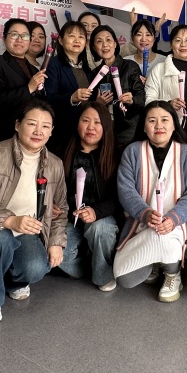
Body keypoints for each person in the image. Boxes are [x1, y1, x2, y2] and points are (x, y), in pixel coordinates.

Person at [0, 98, 67, 325]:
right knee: (0, 241)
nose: (38, 131)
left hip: (30, 232)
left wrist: (55, 242)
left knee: (37, 268)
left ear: (51, 131)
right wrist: (10, 220)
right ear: (17, 125)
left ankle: (11, 283)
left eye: (45, 126)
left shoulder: (55, 164)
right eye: (31, 124)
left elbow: (62, 208)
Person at [113, 101, 187, 302]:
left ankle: (172, 273)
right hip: (141, 224)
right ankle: (156, 260)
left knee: (165, 236)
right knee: (125, 278)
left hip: (176, 225)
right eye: (152, 121)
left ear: (174, 125)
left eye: (164, 120)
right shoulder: (133, 152)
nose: (158, 126)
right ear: (144, 127)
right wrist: (145, 213)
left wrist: (173, 218)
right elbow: (125, 190)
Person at [58, 103, 121, 291]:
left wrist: (96, 212)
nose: (90, 127)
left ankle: (102, 275)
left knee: (100, 229)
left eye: (97, 122)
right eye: (85, 121)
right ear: (77, 123)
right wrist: (54, 206)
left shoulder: (116, 154)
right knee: (58, 257)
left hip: (101, 218)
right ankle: (88, 264)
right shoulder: (62, 151)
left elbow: (120, 197)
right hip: (70, 219)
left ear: (106, 127)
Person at [0, 18, 46, 154]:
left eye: (25, 36)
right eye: (14, 34)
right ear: (4, 38)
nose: (19, 39)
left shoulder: (34, 70)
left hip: (27, 139)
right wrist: (28, 88)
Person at [145, 24, 187, 148]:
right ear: (171, 44)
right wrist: (168, 104)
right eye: (178, 40)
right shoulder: (159, 70)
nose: (183, 45)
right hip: (167, 137)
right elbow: (148, 101)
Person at [89, 24, 146, 147]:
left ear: (115, 44)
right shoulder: (94, 74)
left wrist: (132, 99)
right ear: (94, 47)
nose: (105, 45)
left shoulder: (130, 66)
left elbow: (142, 97)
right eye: (99, 41)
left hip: (128, 126)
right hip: (103, 127)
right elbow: (89, 105)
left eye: (108, 40)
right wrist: (98, 103)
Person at [43, 20, 93, 156]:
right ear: (60, 40)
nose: (77, 40)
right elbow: (48, 99)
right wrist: (72, 98)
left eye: (81, 37)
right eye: (71, 36)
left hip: (84, 131)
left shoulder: (86, 68)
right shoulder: (53, 65)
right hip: (63, 132)